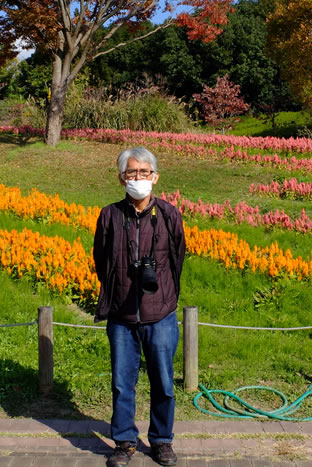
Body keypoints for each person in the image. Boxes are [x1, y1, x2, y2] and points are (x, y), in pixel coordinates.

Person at [93, 146, 186, 467]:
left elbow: (178, 260)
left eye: (144, 172)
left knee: (163, 381)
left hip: (160, 314)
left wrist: (165, 296)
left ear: (155, 177)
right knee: (121, 383)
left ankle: (161, 441)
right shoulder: (109, 215)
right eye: (131, 173)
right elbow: (101, 260)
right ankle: (124, 442)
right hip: (121, 314)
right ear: (121, 179)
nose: (138, 178)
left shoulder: (170, 215)